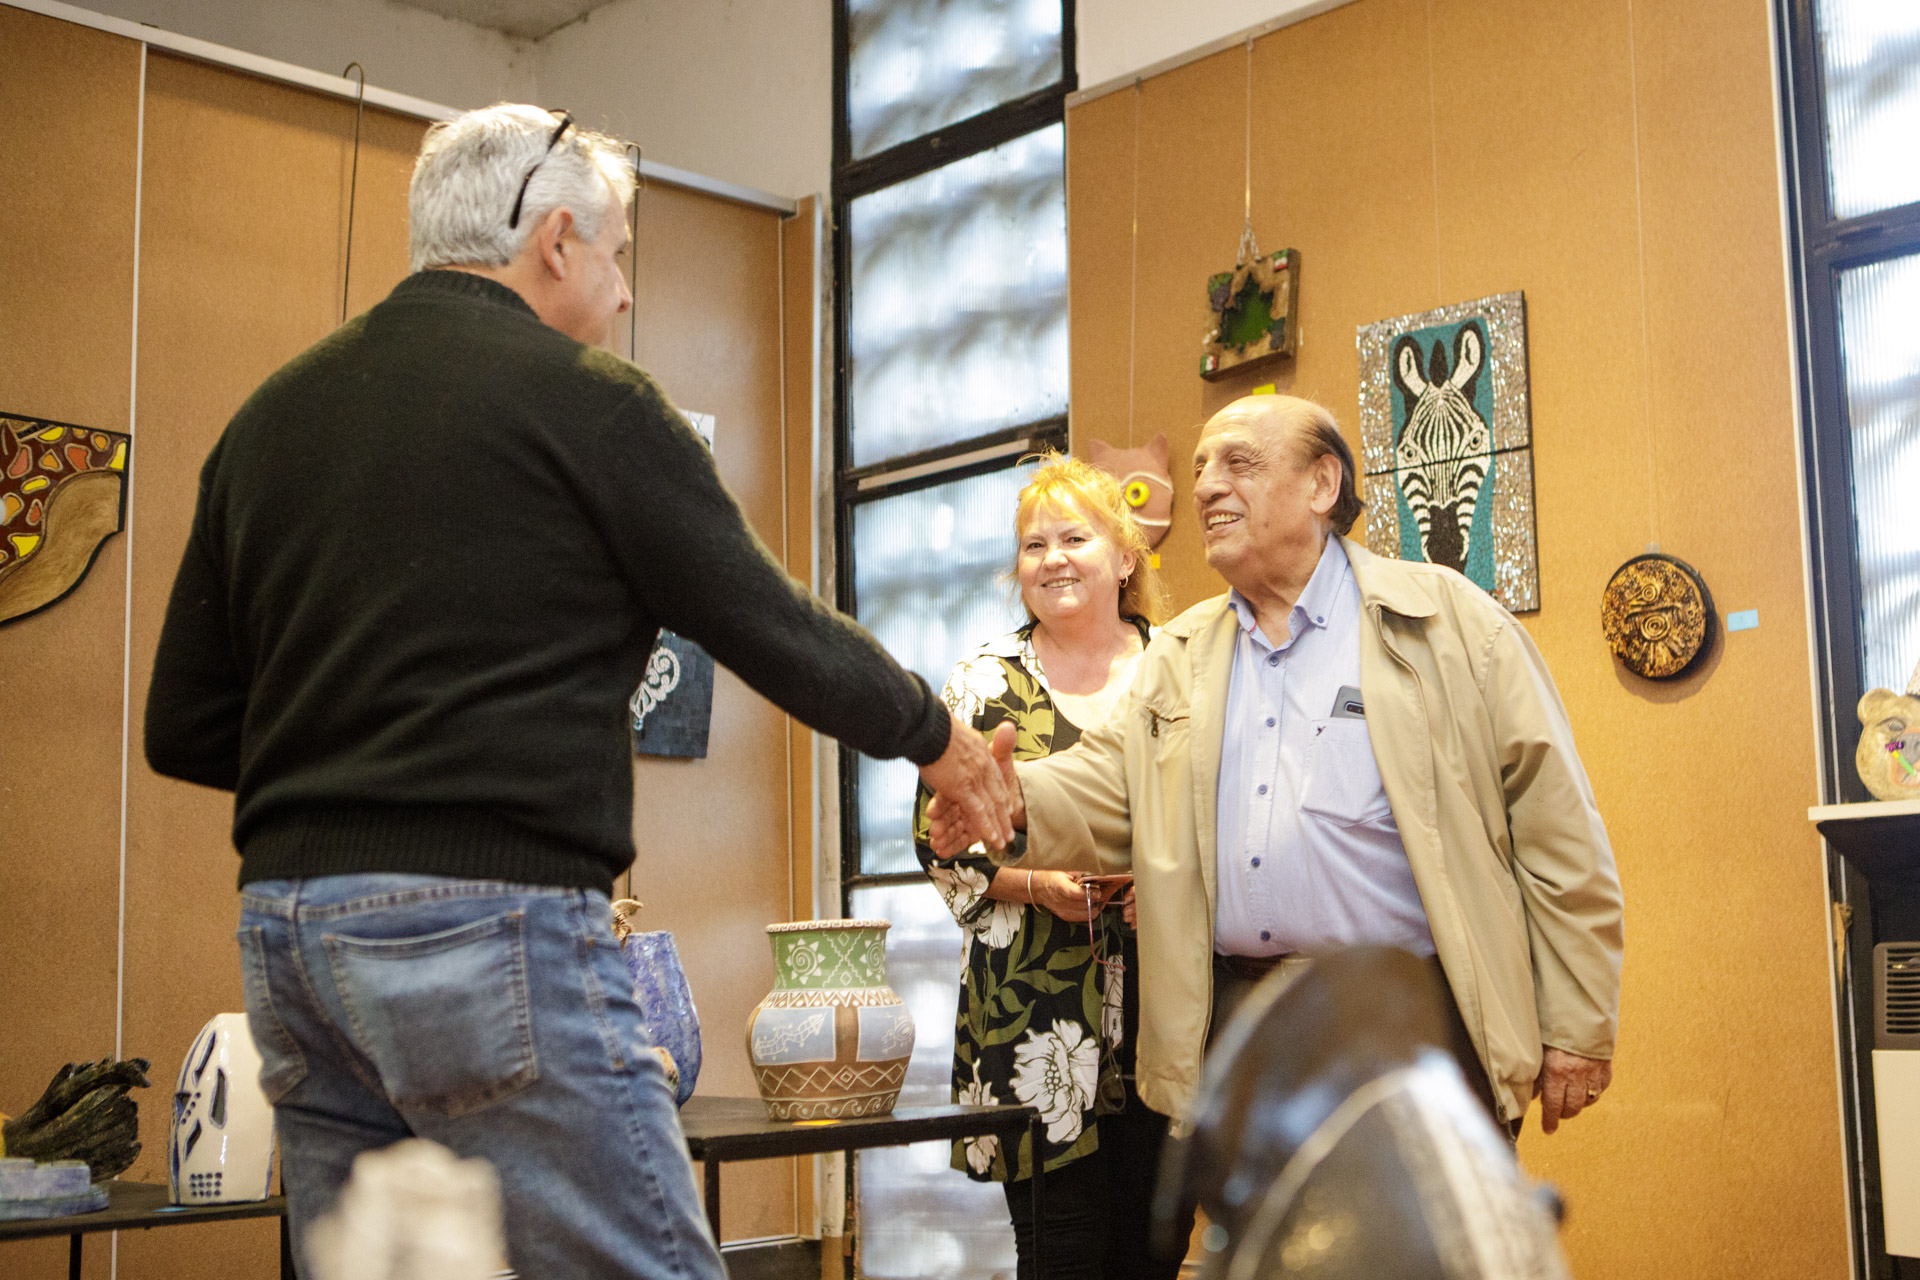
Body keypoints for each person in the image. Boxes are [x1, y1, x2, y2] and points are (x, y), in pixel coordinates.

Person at [144, 104, 1010, 1280]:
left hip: (290, 936)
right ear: (553, 240)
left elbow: (184, 724)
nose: (624, 292)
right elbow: (768, 622)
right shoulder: (596, 402)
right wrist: (937, 735)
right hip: (489, 918)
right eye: (617, 255)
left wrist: (354, 768)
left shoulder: (267, 420)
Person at [927, 394, 1624, 1166]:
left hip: (1411, 1019)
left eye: (1240, 464)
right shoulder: (1184, 652)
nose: (1206, 488)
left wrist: (1577, 1024)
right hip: (1240, 1025)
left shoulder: (1449, 624)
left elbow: (1555, 828)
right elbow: (1114, 784)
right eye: (1200, 470)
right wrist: (1014, 797)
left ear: (1322, 485)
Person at [913, 455, 1173, 1280]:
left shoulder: (1182, 668)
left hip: (1171, 998)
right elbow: (935, 844)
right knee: (1061, 1251)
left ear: (1126, 557)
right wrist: (1035, 887)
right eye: (1034, 545)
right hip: (1034, 1009)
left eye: (1075, 538)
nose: (1053, 558)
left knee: (1154, 1244)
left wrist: (1169, 893)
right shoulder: (983, 683)